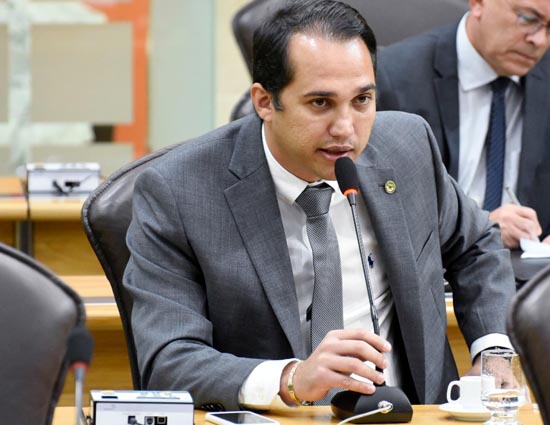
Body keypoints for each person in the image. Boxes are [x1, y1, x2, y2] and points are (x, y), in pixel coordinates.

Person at [123, 0, 514, 410]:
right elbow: (168, 360)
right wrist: (291, 377)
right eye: (320, 103)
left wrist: (493, 351)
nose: (345, 129)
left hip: (411, 414)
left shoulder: (407, 147)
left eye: (361, 100)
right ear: (264, 102)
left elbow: (478, 245)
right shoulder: (180, 191)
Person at [377, 0, 550, 249]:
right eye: (528, 19)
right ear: (478, 4)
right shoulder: (395, 74)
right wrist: (481, 228)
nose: (539, 40)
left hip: (530, 266)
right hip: (440, 266)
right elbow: (383, 210)